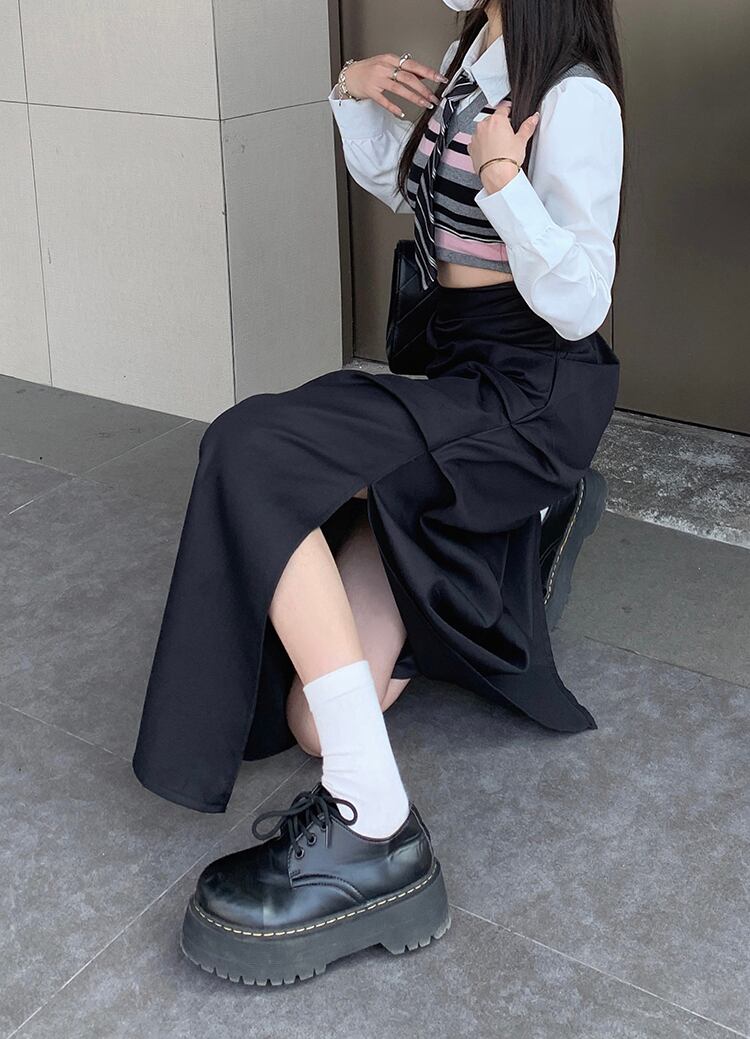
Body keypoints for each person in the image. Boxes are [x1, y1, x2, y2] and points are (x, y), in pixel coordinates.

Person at [131, 0, 625, 985]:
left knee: (253, 449)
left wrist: (505, 181)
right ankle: (509, 531)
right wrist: (351, 91)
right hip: (451, 367)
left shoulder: (576, 97)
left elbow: (580, 301)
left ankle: (376, 827)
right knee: (315, 723)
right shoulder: (474, 51)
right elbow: (410, 187)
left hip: (527, 393)